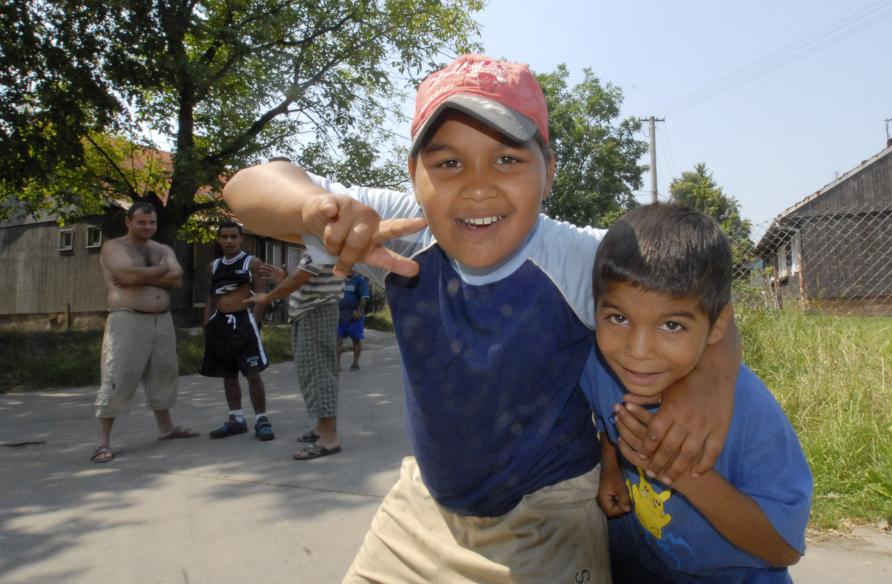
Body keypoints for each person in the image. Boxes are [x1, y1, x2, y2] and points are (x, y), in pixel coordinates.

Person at [223, 54, 741, 582]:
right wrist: (315, 206)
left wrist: (709, 386)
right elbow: (247, 188)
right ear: (413, 175)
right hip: (426, 507)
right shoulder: (399, 232)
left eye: (507, 160)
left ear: (549, 172)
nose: (476, 187)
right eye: (448, 163)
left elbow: (701, 299)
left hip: (547, 514)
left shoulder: (582, 258)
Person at [581, 204, 812, 583]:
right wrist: (610, 468)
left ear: (718, 324)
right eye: (618, 318)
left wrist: (686, 475)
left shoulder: (748, 412)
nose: (638, 350)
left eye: (671, 325)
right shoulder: (601, 368)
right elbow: (607, 417)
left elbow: (783, 547)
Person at [92, 202, 199, 463]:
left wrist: (144, 275)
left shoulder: (162, 249)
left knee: (164, 372)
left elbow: (177, 279)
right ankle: (103, 442)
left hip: (162, 320)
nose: (148, 227)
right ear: (128, 222)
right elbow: (126, 276)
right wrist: (160, 270)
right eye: (141, 222)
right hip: (128, 318)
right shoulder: (114, 247)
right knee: (119, 375)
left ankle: (166, 428)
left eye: (151, 223)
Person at [249, 254, 344, 460]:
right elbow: (303, 283)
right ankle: (321, 427)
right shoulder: (317, 244)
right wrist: (283, 278)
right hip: (308, 311)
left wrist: (267, 297)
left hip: (317, 311)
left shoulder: (323, 244)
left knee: (319, 371)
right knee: (309, 370)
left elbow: (297, 280)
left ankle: (329, 436)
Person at [200, 221, 274, 441]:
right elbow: (212, 296)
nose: (229, 241)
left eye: (234, 236)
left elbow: (261, 294)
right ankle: (236, 419)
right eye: (225, 237)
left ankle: (261, 419)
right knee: (228, 374)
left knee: (252, 373)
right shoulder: (214, 266)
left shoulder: (251, 262)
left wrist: (256, 321)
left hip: (244, 321)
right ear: (219, 240)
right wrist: (207, 321)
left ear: (241, 239)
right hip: (220, 323)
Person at [337, 269, 369, 371]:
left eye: (352, 267)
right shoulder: (338, 279)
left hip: (354, 317)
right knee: (337, 339)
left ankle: (355, 363)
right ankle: (337, 365)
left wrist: (359, 311)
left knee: (356, 339)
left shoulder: (360, 280)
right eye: (347, 267)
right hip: (339, 316)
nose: (349, 269)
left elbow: (364, 297)